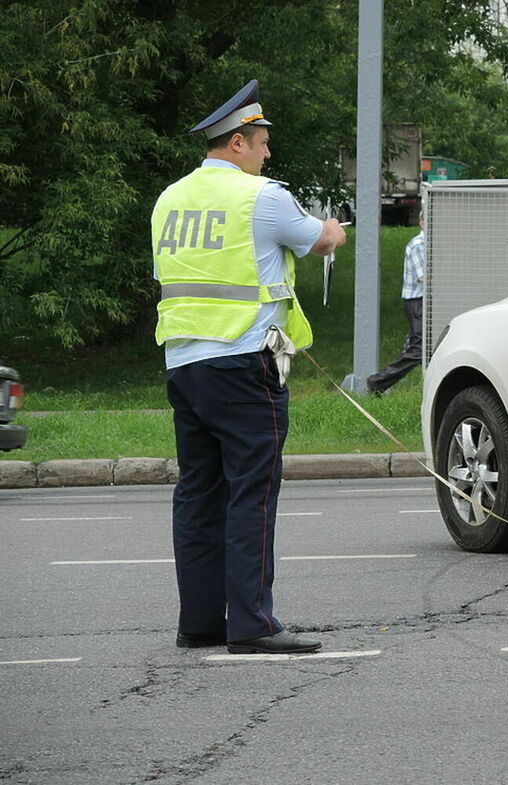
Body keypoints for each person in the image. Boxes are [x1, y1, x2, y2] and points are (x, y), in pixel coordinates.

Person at [152, 80, 347, 654]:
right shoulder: (260, 197)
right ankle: (254, 624)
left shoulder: (169, 198)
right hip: (243, 364)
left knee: (198, 493)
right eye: (262, 143)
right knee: (252, 494)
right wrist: (333, 229)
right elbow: (321, 239)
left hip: (184, 363)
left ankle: (202, 622)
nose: (267, 154)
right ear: (237, 143)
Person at [366, 216, 425, 394]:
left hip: (424, 301)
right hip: (418, 301)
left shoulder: (432, 244)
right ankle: (378, 382)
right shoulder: (418, 245)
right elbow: (424, 278)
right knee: (419, 349)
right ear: (422, 222)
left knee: (423, 347)